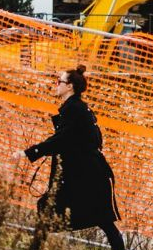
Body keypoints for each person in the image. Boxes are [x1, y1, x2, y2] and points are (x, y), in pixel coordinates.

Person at [16, 65, 125, 250]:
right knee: (52, 211)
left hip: (86, 177)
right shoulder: (77, 108)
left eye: (60, 81)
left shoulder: (75, 109)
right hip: (83, 175)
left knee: (101, 220)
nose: (56, 85)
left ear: (70, 87)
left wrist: (29, 153)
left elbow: (60, 140)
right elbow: (87, 140)